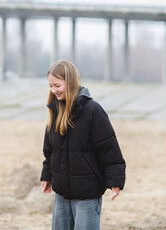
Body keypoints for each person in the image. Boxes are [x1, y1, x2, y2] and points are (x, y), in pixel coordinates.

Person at [40, 60, 126, 230]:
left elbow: (109, 149)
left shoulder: (93, 111)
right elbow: (50, 151)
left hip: (88, 195)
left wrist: (115, 179)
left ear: (70, 82)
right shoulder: (54, 111)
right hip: (61, 195)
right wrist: (47, 175)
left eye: (57, 85)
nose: (53, 90)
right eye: (50, 86)